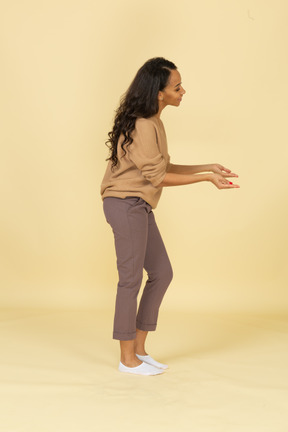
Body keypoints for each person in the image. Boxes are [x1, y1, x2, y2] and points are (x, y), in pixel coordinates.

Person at [100, 57, 239, 376]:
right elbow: (156, 177)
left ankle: (139, 348)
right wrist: (205, 180)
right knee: (130, 279)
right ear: (159, 92)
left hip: (138, 204)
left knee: (161, 272)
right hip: (124, 203)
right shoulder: (142, 123)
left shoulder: (153, 122)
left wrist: (208, 167)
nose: (183, 91)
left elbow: (161, 167)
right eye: (177, 87)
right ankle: (127, 359)